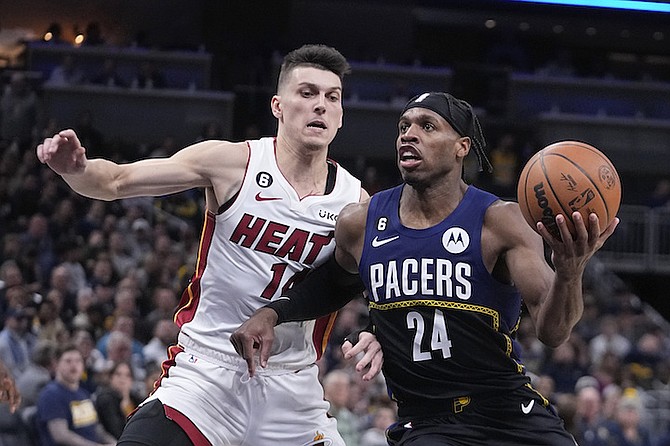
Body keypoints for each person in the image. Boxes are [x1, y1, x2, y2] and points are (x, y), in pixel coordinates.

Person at [36, 44, 383, 446]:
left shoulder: (356, 205)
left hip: (293, 388)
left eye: (331, 97)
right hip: (208, 373)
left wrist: (376, 329)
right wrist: (76, 170)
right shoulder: (231, 164)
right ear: (278, 105)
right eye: (307, 93)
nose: (320, 105)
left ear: (341, 116)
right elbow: (115, 181)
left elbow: (384, 283)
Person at [231, 91, 620, 445]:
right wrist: (273, 313)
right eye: (403, 127)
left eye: (426, 126)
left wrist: (570, 271)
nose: (408, 135)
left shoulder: (500, 222)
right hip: (428, 424)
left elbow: (554, 333)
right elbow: (334, 283)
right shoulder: (360, 222)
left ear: (461, 148)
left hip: (507, 413)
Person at [35, 343, 116, 446]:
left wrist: (113, 443)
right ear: (56, 364)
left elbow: (96, 428)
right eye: (68, 361)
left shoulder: (84, 394)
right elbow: (60, 435)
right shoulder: (50, 395)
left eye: (78, 361)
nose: (74, 365)